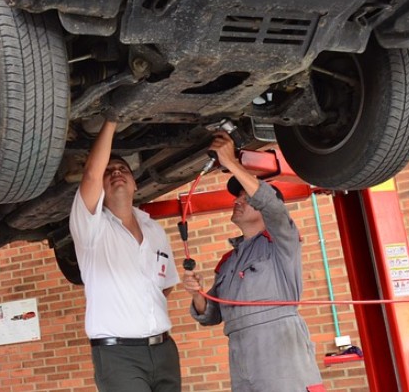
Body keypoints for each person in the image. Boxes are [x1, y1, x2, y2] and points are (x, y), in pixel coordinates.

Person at [182, 131, 324, 392]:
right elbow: (212, 315)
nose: (237, 201)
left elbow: (273, 207)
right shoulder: (229, 262)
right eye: (239, 198)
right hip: (241, 354)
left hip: (280, 350)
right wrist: (197, 294)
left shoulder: (282, 242)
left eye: (246, 199)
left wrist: (232, 163)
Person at [69, 120, 181, 392]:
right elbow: (91, 176)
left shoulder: (154, 230)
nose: (116, 172)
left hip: (164, 350)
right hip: (119, 355)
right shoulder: (91, 228)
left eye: (123, 169)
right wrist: (111, 120)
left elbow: (166, 286)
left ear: (134, 184)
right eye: (110, 171)